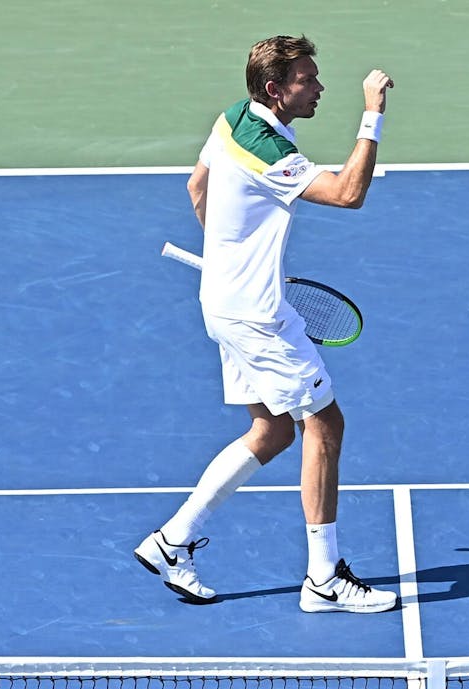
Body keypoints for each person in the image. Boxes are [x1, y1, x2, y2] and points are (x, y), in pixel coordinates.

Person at [134, 35, 397, 614]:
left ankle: (171, 543)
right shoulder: (273, 151)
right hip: (255, 315)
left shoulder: (232, 120)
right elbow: (348, 193)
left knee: (274, 430)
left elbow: (196, 188)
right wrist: (372, 114)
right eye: (308, 79)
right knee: (324, 425)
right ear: (275, 89)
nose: (320, 86)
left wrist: (232, 260)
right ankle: (324, 580)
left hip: (224, 303)